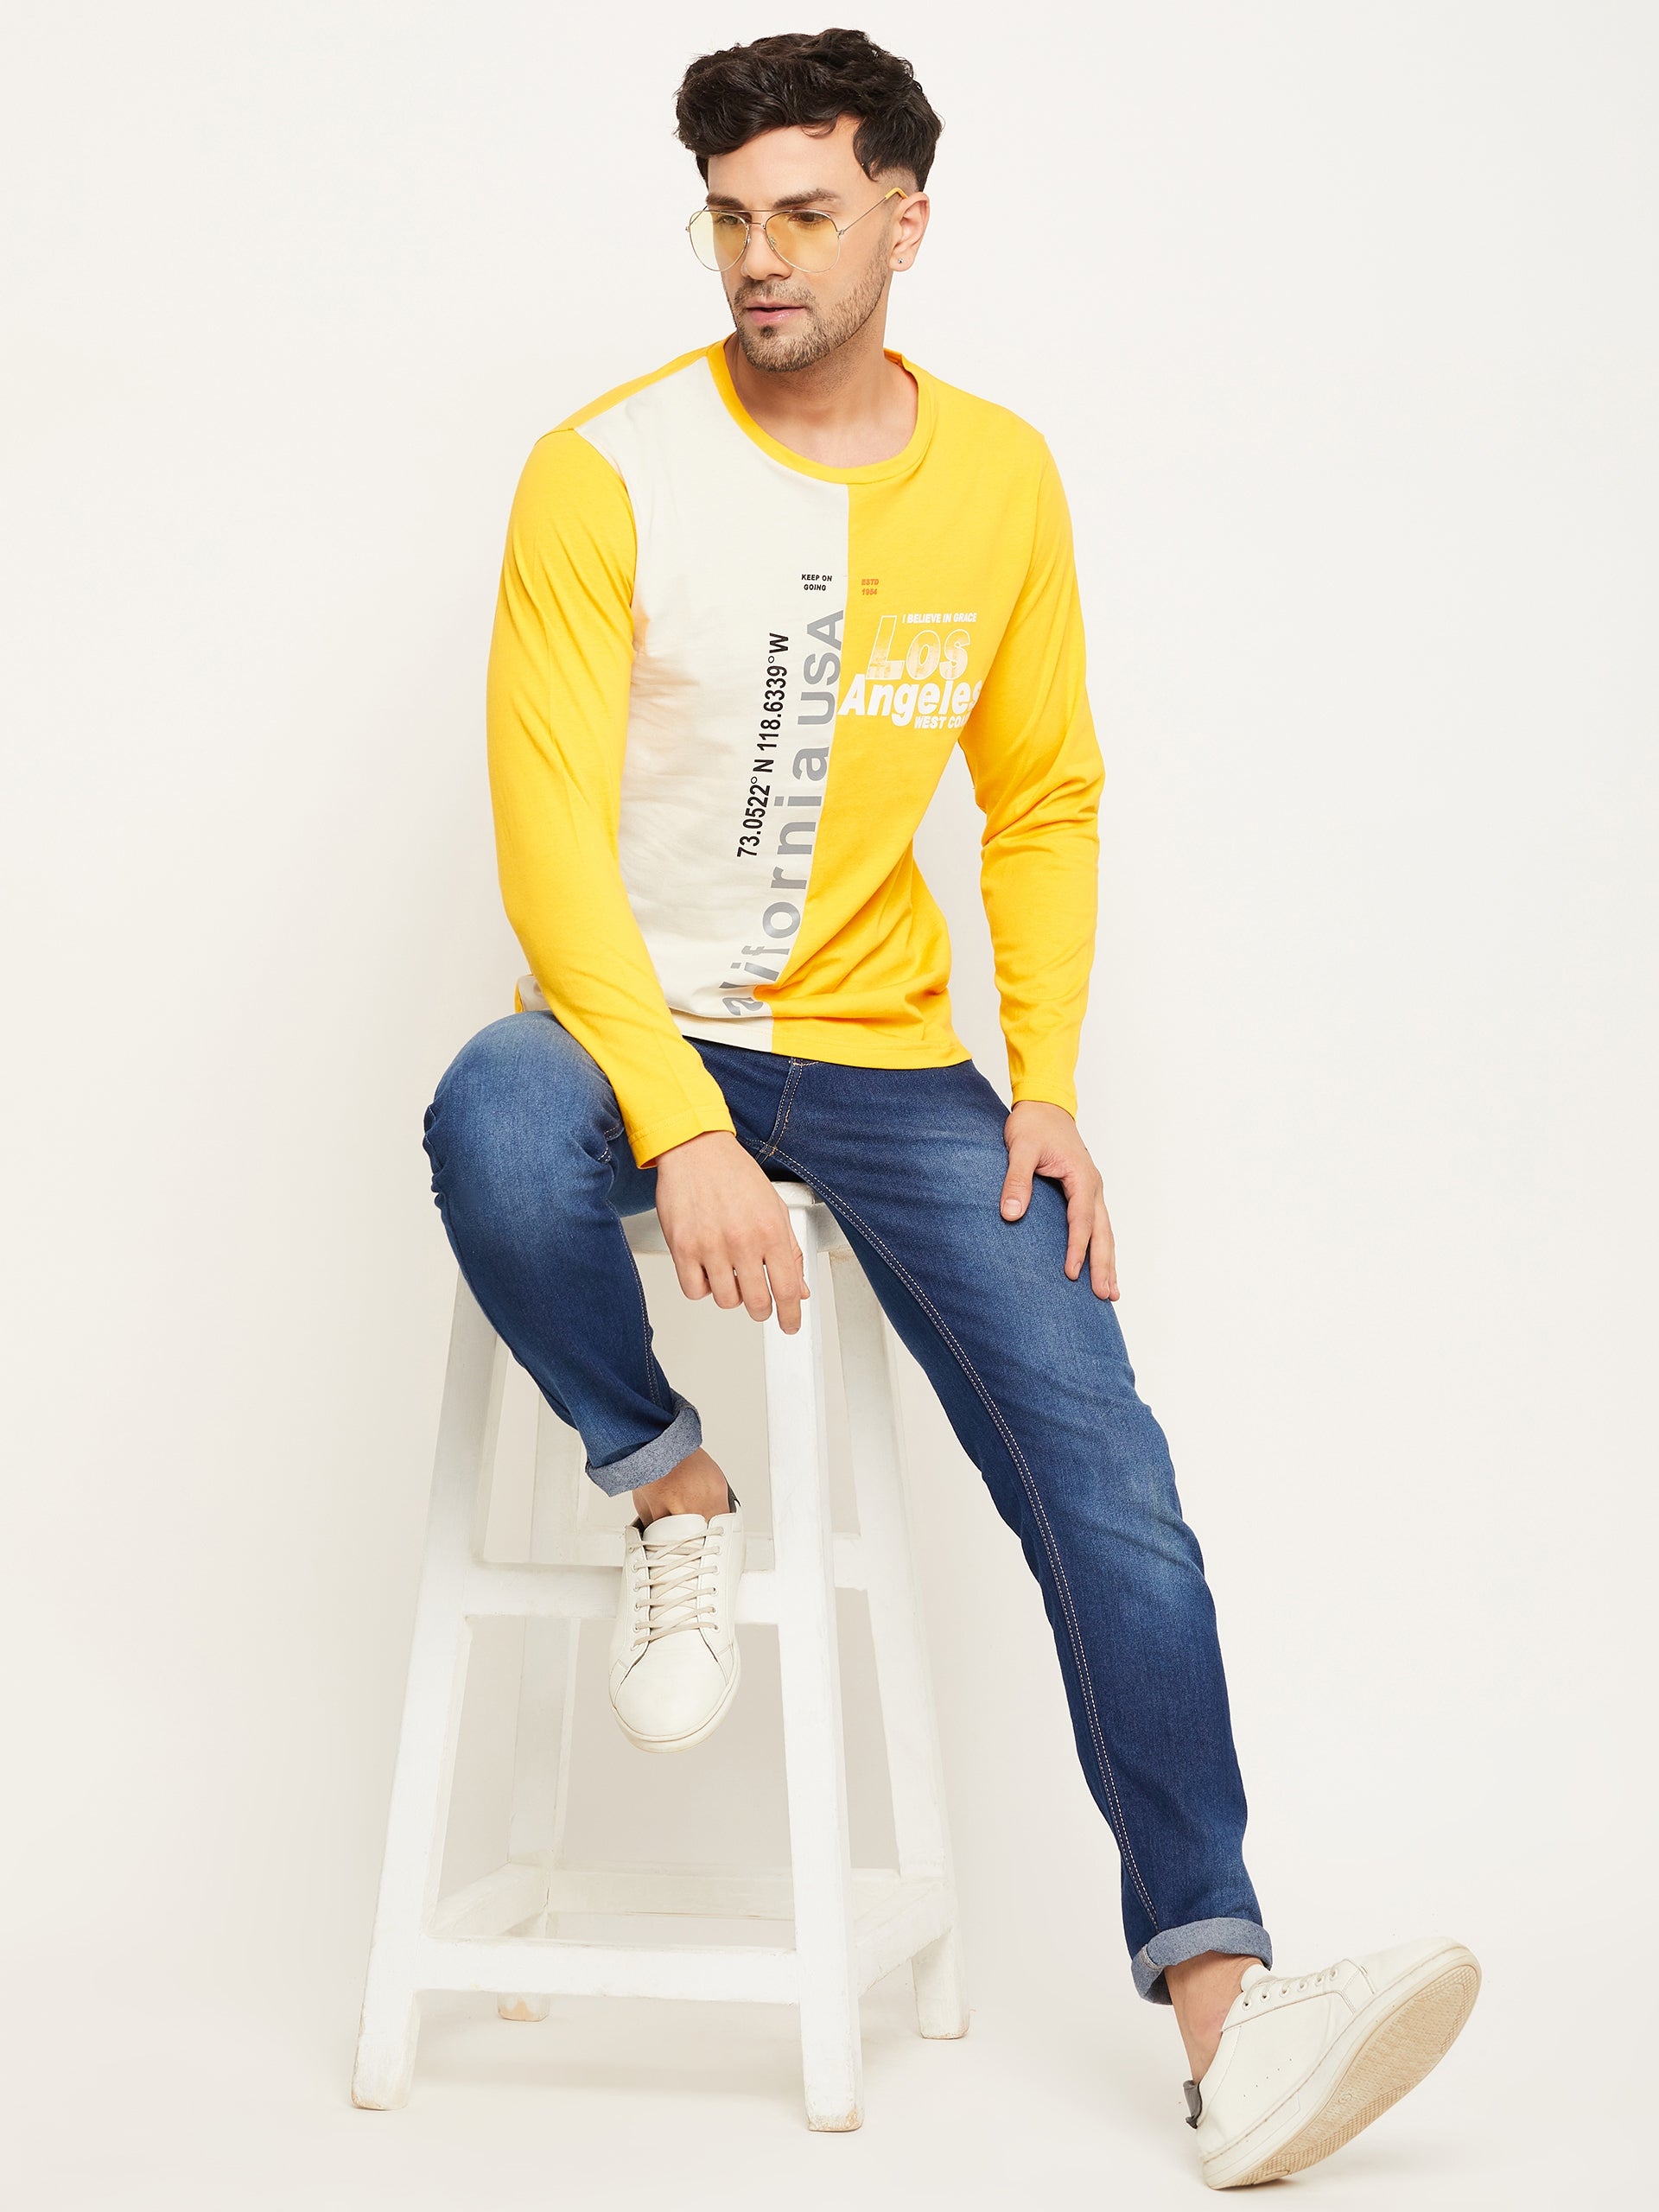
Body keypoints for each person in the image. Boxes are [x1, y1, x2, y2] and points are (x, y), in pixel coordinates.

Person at [423, 26, 1478, 2186]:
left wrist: (1051, 1080)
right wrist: (680, 1120)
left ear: (907, 219)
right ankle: (671, 1486)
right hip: (630, 1024)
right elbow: (546, 841)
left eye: (805, 212)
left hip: (888, 1050)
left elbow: (1044, 793)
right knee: (489, 1118)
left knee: (1108, 1473)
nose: (760, 256)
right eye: (730, 215)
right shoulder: (602, 469)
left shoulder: (999, 477)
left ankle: (1227, 2013)